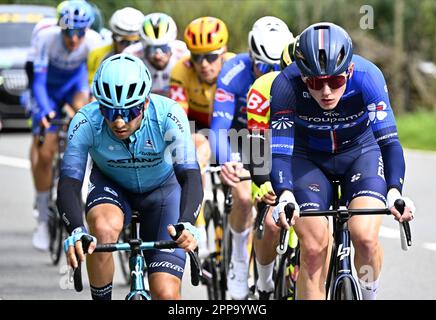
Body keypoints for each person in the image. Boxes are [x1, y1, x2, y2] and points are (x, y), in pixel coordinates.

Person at [269, 22, 415, 300]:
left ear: (348, 70)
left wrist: (395, 190)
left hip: (360, 153)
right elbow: (279, 152)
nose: (325, 91)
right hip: (307, 159)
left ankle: (369, 294)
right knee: (313, 249)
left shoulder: (367, 76)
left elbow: (389, 143)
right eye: (314, 82)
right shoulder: (285, 85)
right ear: (302, 76)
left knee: (366, 236)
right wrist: (285, 193)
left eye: (335, 81)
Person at [57, 53, 203, 300]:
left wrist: (188, 221)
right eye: (110, 111)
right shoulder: (85, 121)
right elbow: (69, 182)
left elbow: (189, 174)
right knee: (101, 230)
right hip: (112, 186)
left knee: (166, 293)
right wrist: (76, 230)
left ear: (145, 103)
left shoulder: (168, 115)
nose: (119, 121)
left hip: (162, 191)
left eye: (130, 110)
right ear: (99, 105)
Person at [209, 16, 294, 300]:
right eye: (261, 66)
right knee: (244, 197)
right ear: (250, 55)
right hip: (241, 139)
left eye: (275, 68)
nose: (267, 74)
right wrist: (227, 161)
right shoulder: (233, 71)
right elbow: (219, 128)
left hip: (278, 140)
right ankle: (238, 263)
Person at [30, 0, 102, 251]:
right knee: (45, 149)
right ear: (60, 29)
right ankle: (42, 213)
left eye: (79, 32)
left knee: (83, 115)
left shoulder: (94, 41)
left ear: (87, 30)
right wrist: (46, 111)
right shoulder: (46, 38)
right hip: (47, 90)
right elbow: (38, 82)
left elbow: (95, 82)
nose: (74, 39)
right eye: (69, 32)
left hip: (75, 87)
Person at [169, 16, 235, 258]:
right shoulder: (181, 71)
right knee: (198, 144)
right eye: (197, 57)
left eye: (211, 56)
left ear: (224, 52)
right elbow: (178, 120)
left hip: (230, 131)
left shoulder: (234, 67)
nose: (204, 64)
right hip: (196, 128)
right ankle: (199, 216)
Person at [246, 39, 297, 300]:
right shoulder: (263, 87)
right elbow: (255, 145)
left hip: (304, 158)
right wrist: (265, 183)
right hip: (268, 153)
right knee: (271, 221)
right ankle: (264, 283)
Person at [124, 13, 188, 96]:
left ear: (172, 45)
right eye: (151, 50)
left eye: (164, 48)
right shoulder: (130, 57)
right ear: (143, 47)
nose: (158, 56)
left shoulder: (183, 53)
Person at [87, 7, 144, 85]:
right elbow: (91, 86)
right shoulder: (98, 55)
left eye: (136, 42)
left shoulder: (149, 55)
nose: (131, 48)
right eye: (125, 42)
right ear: (113, 37)